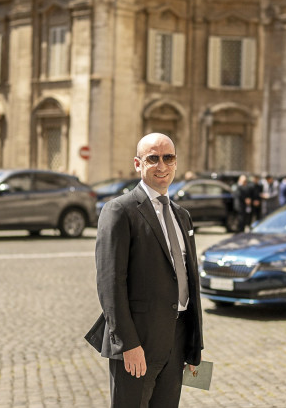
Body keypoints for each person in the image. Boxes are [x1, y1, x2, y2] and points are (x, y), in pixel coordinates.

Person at [85, 133, 203, 408]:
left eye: (168, 158)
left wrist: (193, 345)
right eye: (153, 158)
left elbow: (189, 281)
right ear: (138, 164)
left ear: (176, 163)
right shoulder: (119, 210)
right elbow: (110, 283)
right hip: (138, 341)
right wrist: (128, 344)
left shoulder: (182, 216)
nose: (162, 165)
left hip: (178, 339)